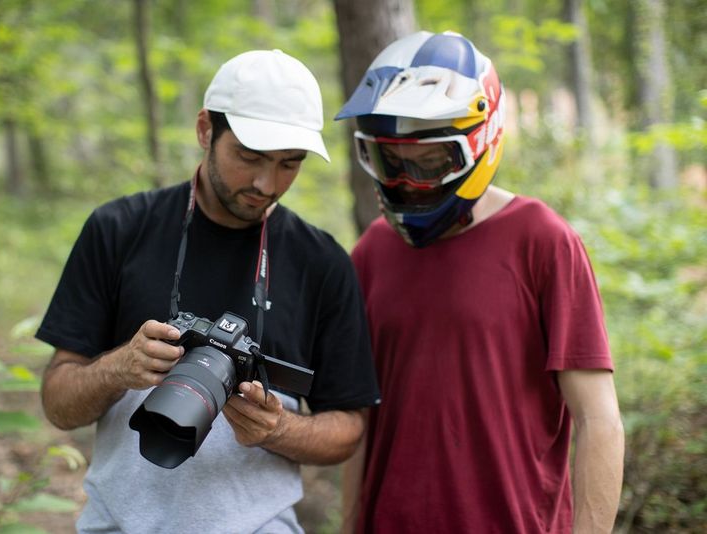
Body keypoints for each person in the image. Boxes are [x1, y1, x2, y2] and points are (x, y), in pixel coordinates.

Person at [37, 49, 380, 533]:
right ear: (205, 129)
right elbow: (57, 401)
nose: (267, 183)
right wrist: (120, 367)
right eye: (249, 157)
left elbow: (348, 428)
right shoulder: (119, 230)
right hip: (119, 524)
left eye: (290, 163)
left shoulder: (321, 262)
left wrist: (278, 429)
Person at [336, 31, 625, 533]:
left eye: (429, 162)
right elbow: (362, 422)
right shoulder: (372, 253)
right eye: (391, 160)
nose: (407, 180)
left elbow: (599, 420)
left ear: (480, 141)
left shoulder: (542, 241)